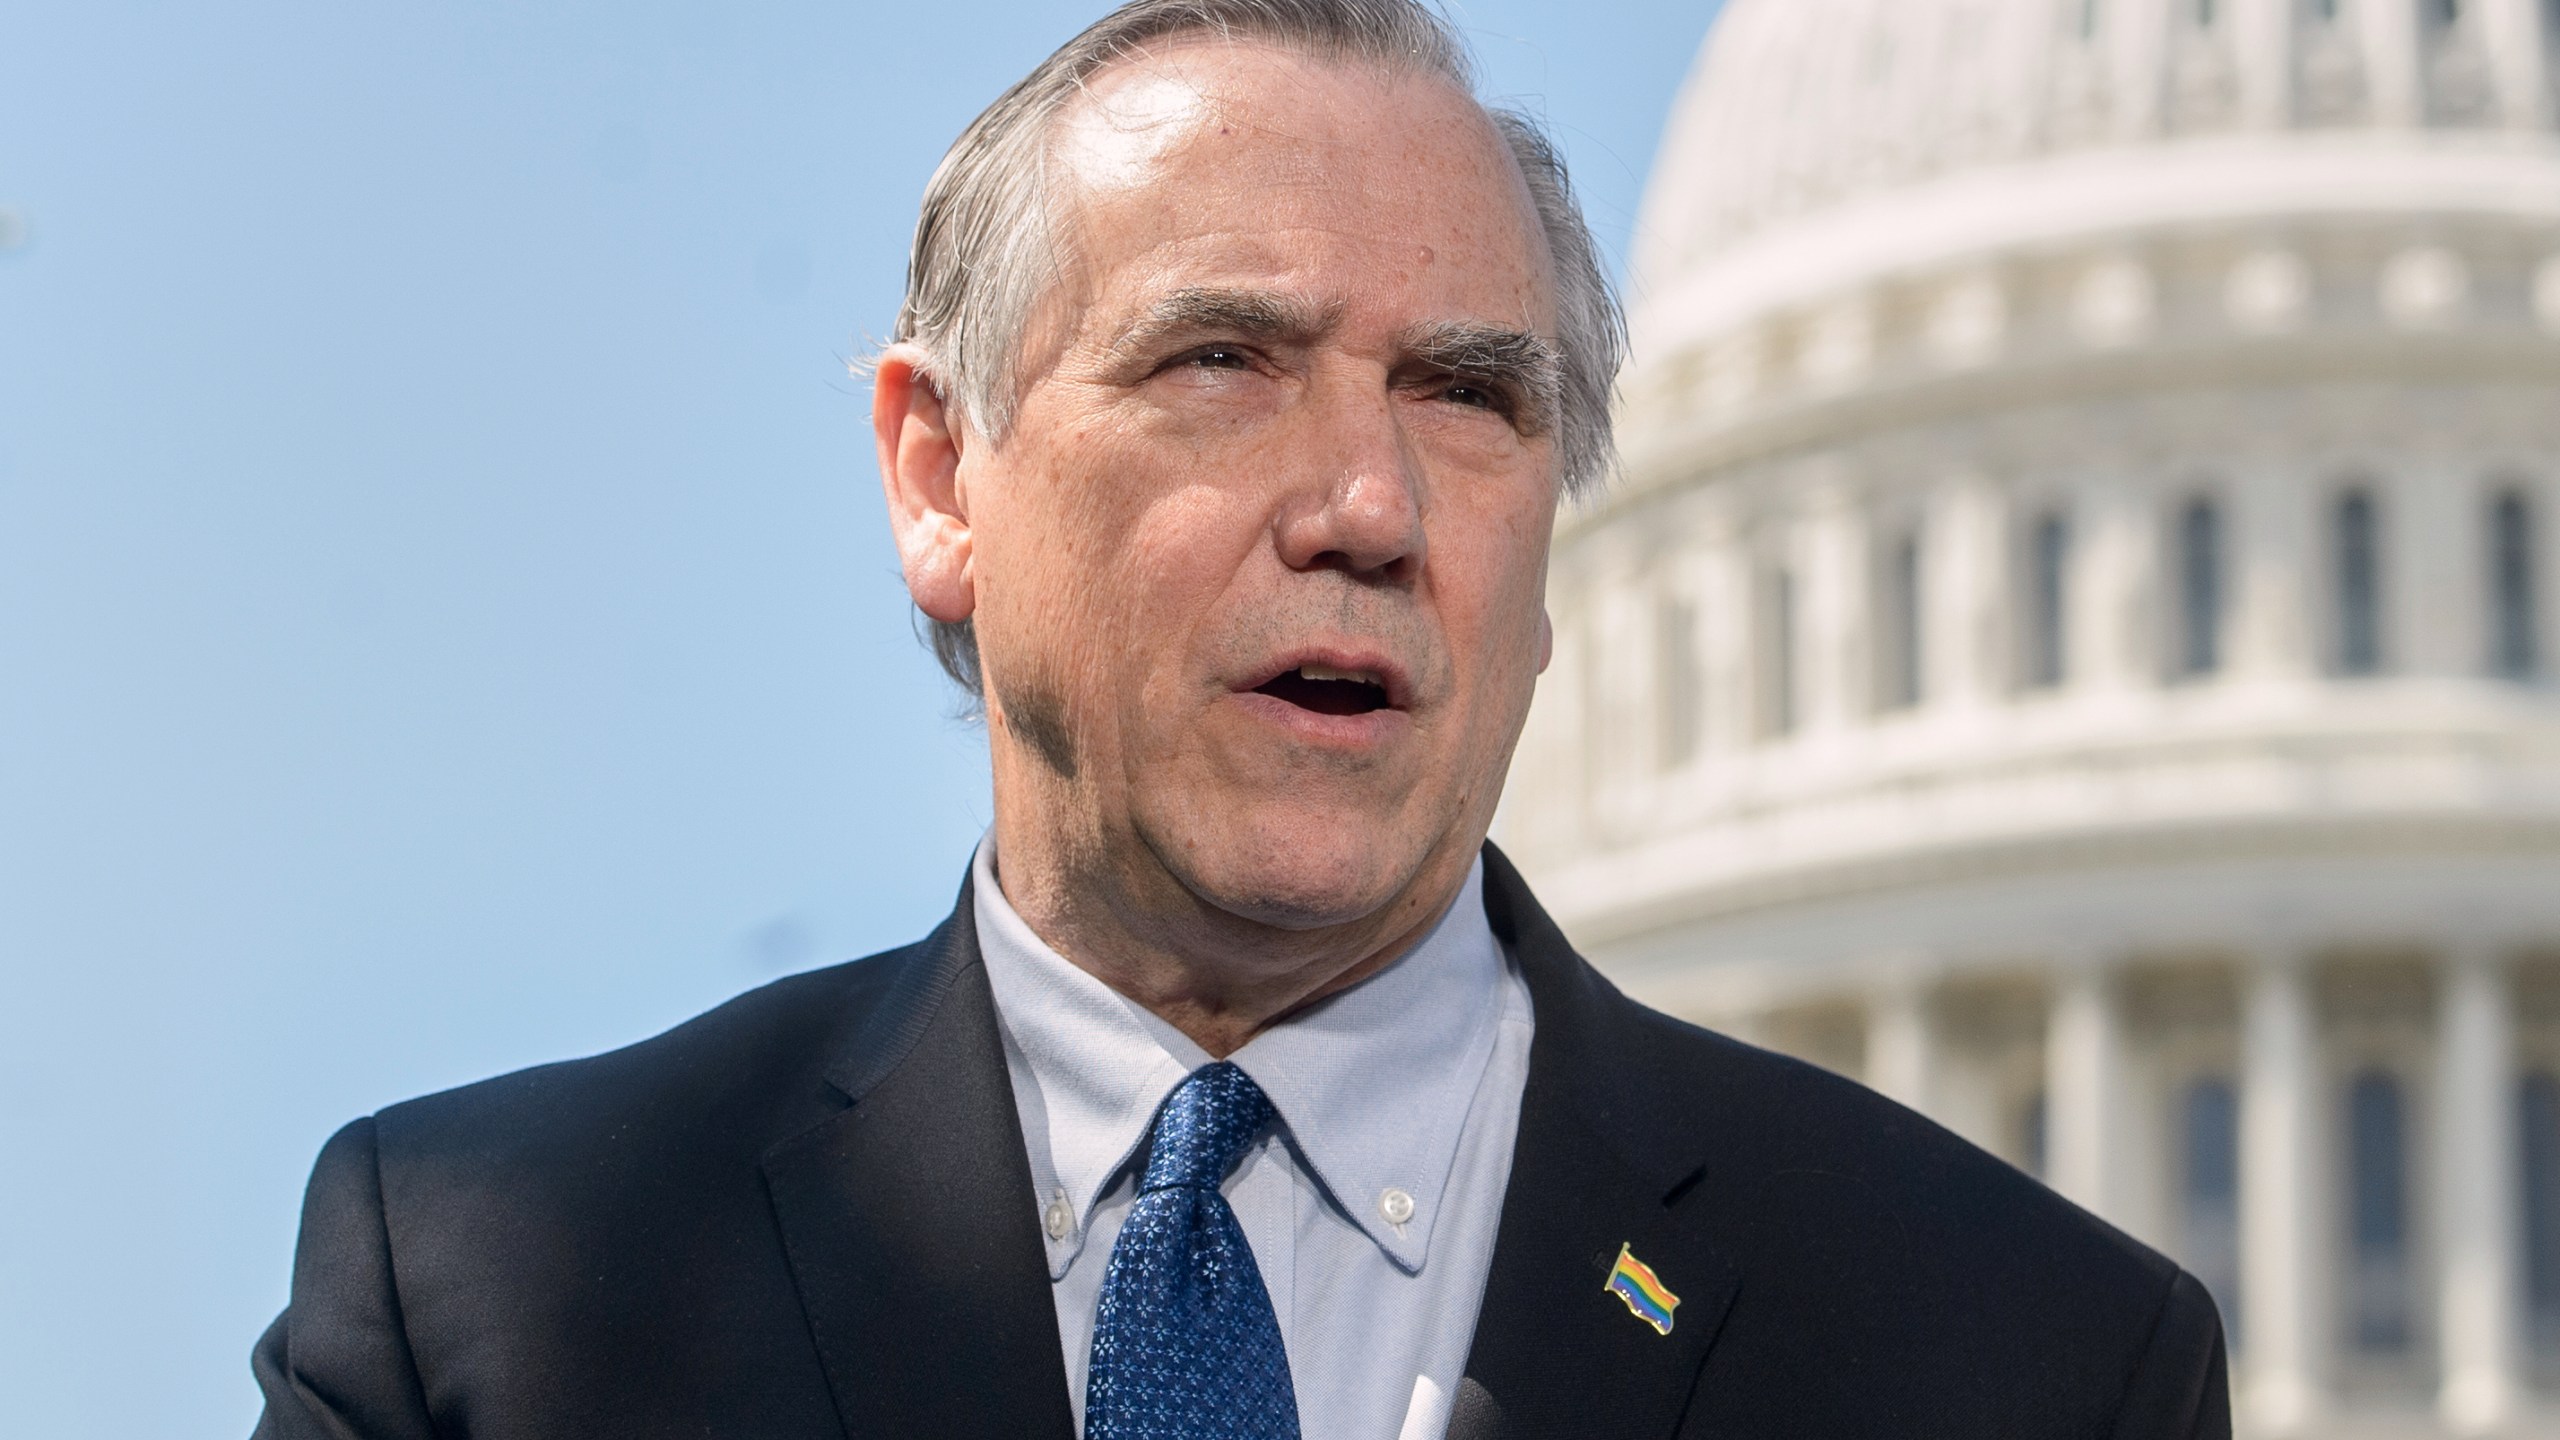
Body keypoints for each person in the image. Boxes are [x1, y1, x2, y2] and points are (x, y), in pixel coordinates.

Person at [249, 2, 2230, 1436]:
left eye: (1468, 396)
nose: (1364, 507)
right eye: (1221, 361)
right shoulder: (498, 1303)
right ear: (940, 474)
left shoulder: (2026, 1363)